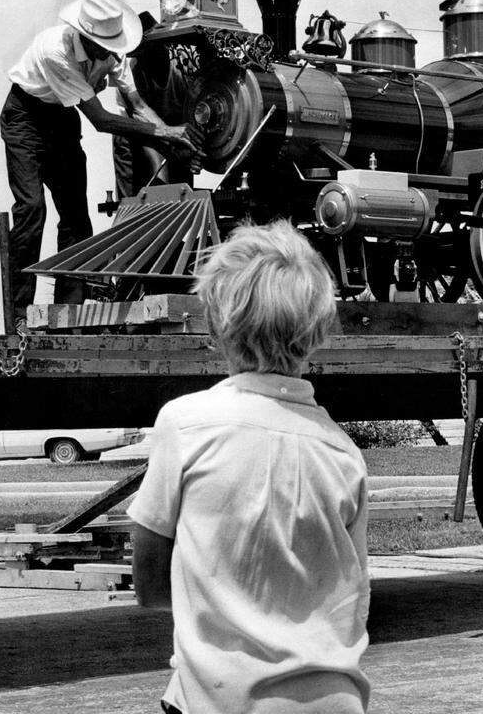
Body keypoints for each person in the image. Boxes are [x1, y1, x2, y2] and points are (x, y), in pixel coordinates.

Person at [129, 220, 371, 714]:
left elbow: (149, 585)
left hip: (225, 701)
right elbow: (350, 591)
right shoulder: (344, 453)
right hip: (336, 700)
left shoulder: (185, 424)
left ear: (218, 326)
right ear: (318, 331)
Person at [1, 0, 199, 323]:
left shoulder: (113, 52)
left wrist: (172, 139)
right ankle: (19, 314)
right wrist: (166, 135)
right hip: (26, 118)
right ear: (86, 37)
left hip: (62, 121)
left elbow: (136, 105)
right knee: (31, 210)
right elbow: (101, 120)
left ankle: (69, 312)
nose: (111, 55)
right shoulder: (55, 52)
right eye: (104, 47)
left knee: (77, 215)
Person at [112, 11, 197, 200]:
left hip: (177, 127)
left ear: (161, 44)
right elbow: (141, 119)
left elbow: (195, 115)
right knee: (124, 139)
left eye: (148, 50)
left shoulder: (183, 64)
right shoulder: (132, 73)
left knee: (181, 188)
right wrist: (161, 180)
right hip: (141, 130)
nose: (144, 58)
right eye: (140, 53)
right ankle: (130, 209)